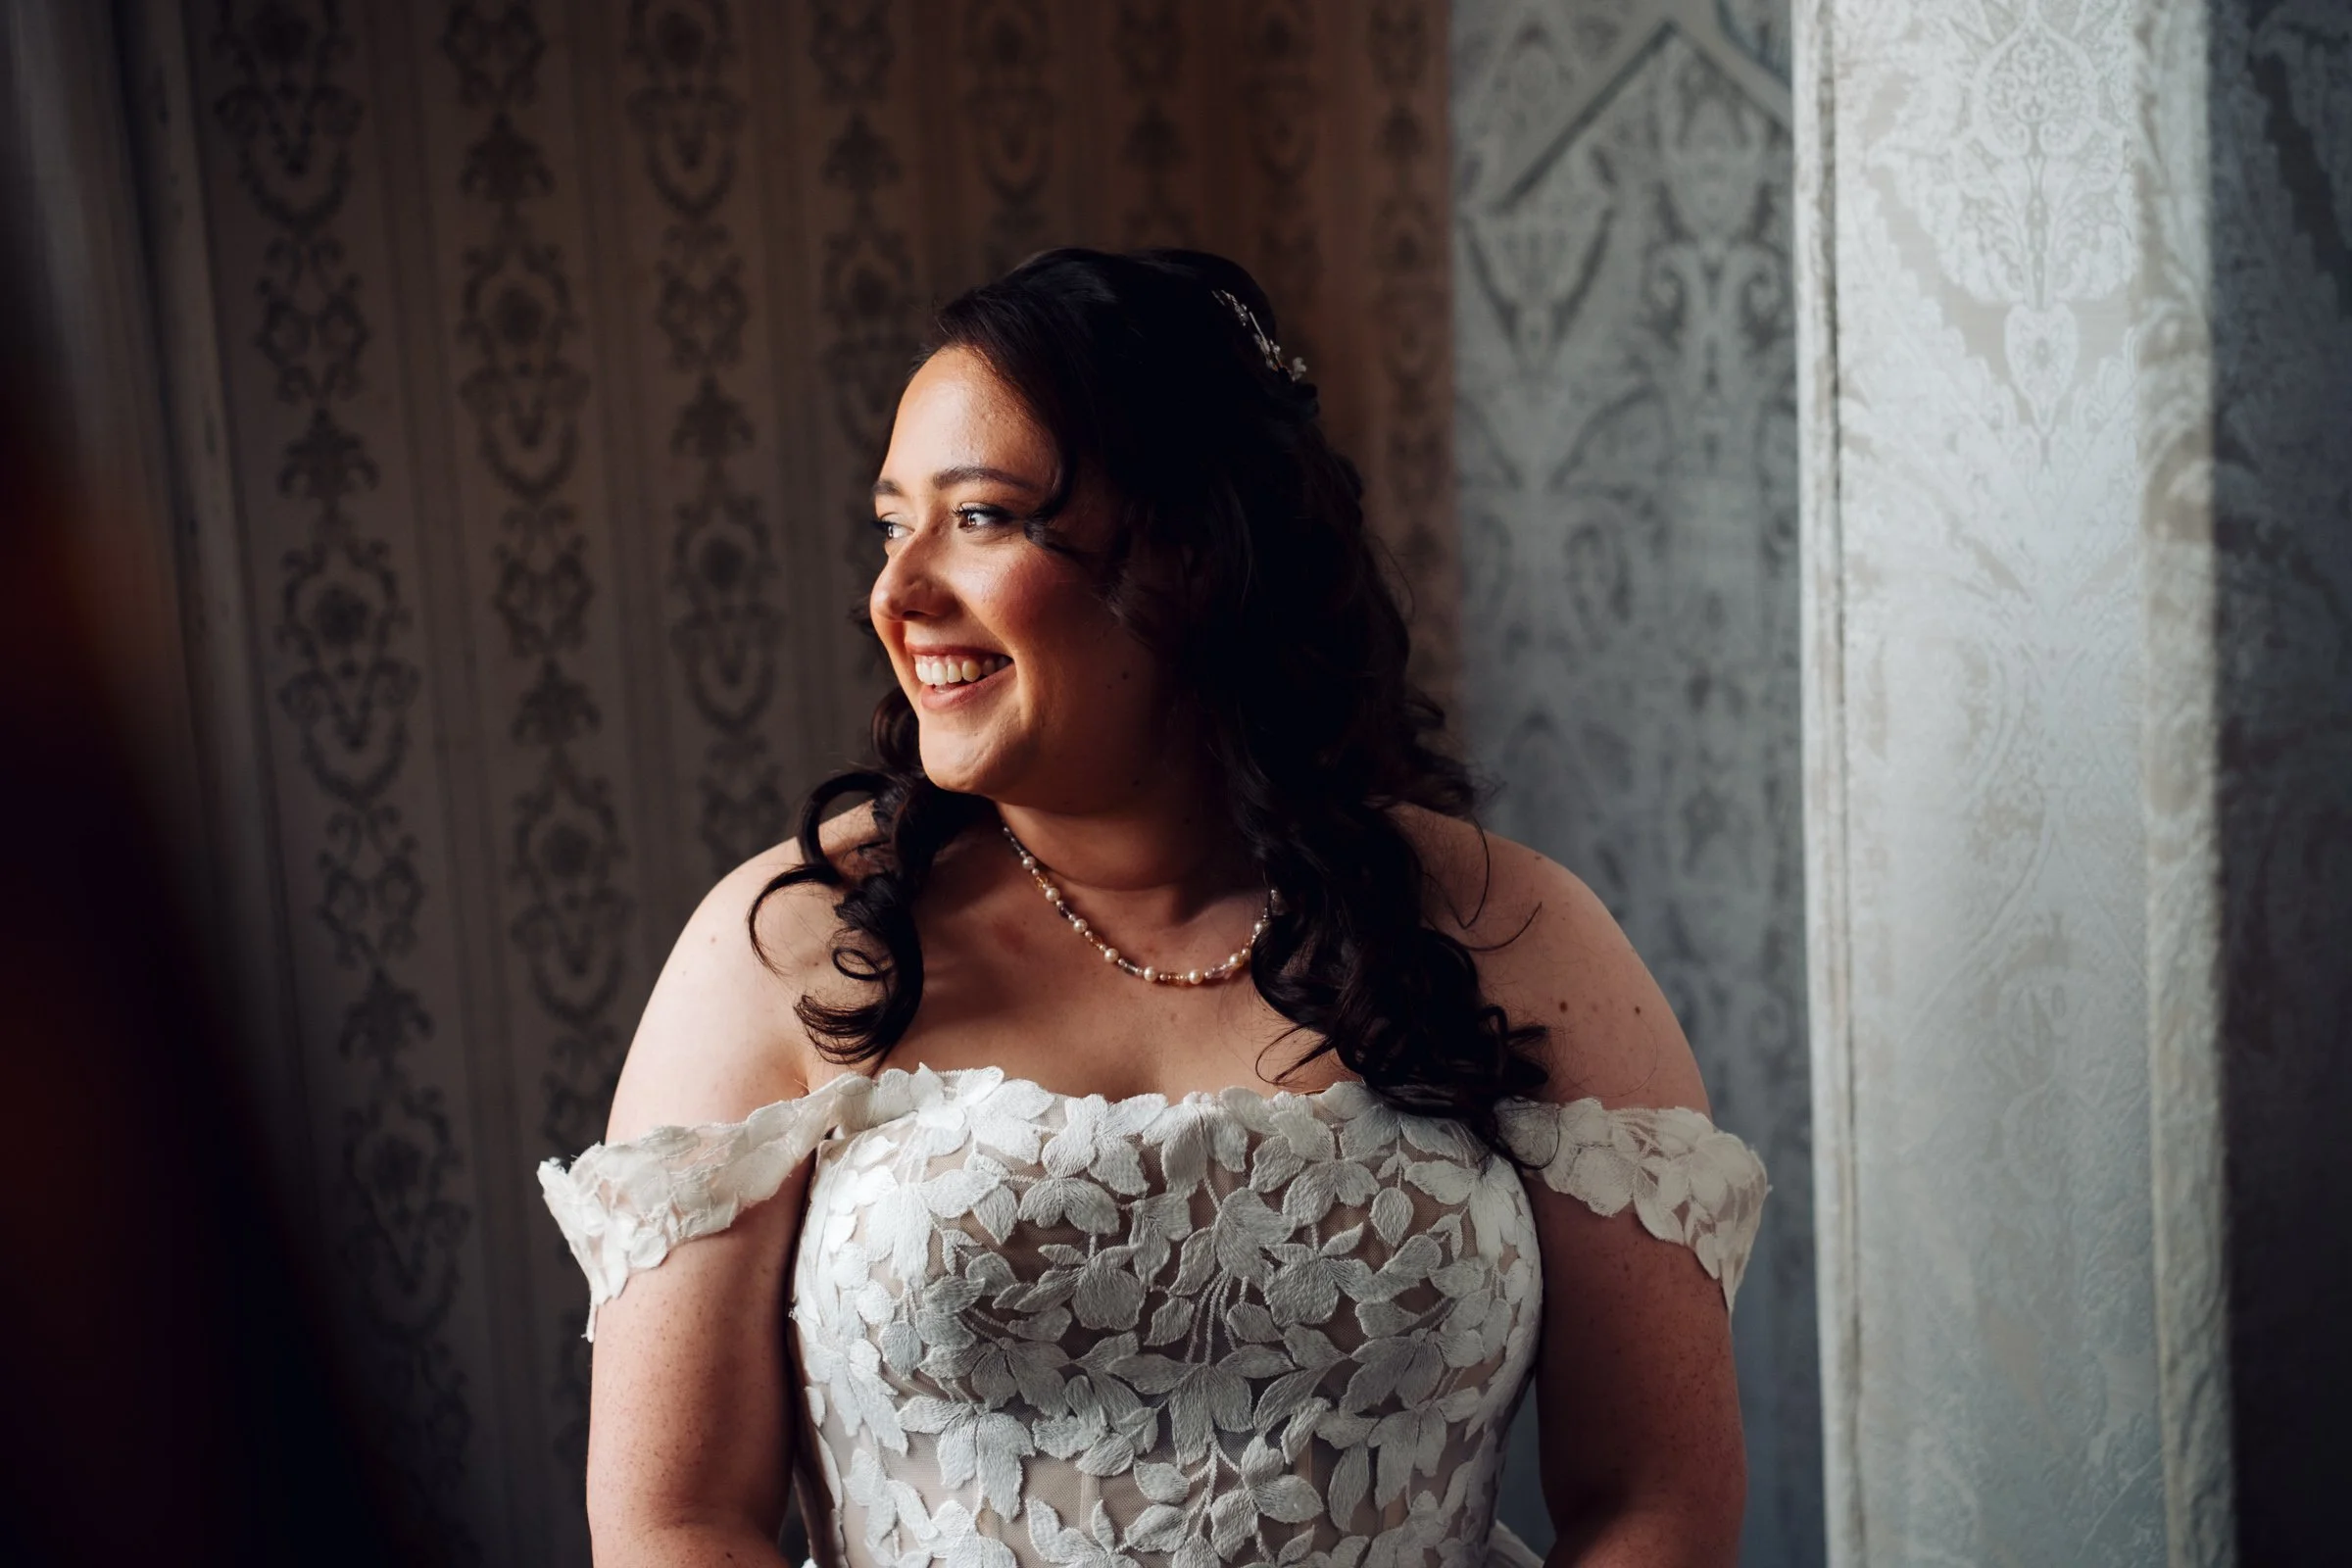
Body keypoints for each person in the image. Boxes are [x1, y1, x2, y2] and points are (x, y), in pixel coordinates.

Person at [540, 249, 1767, 1568]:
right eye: (897, 524)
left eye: (985, 517)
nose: (896, 596)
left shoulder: (1512, 935)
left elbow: (1659, 1498)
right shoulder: (790, 948)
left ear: (1193, 551)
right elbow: (677, 1523)